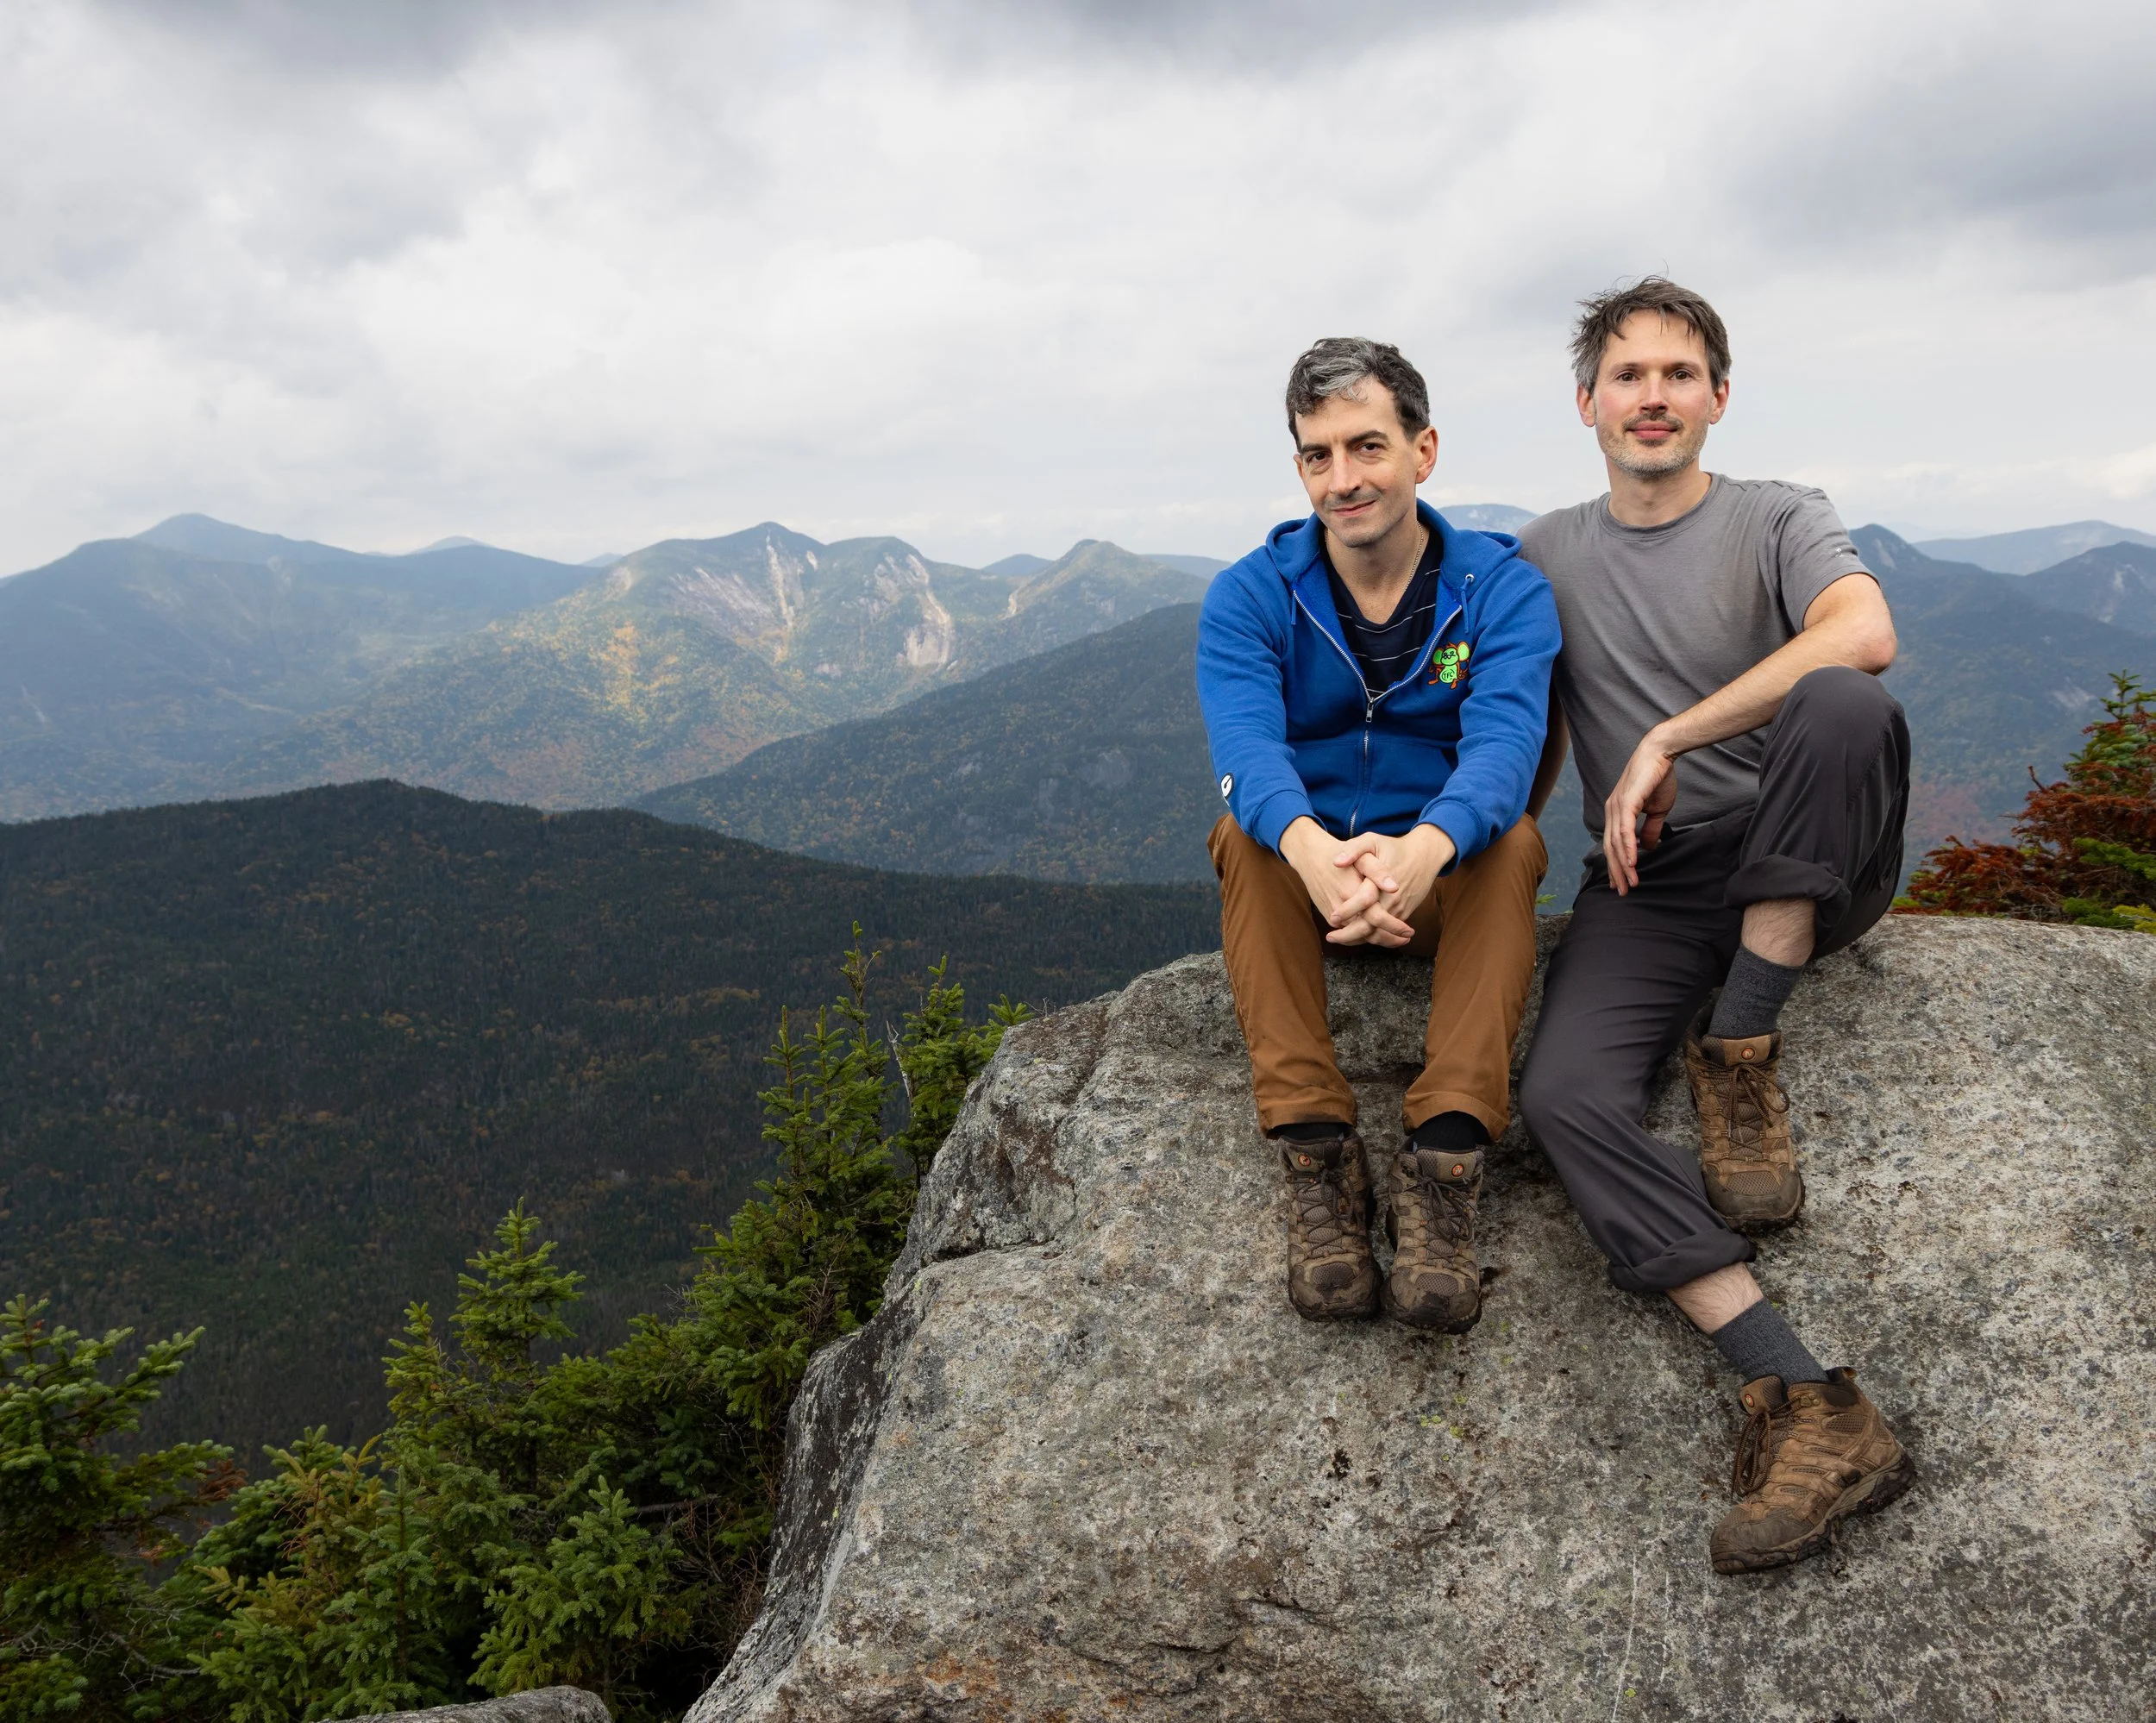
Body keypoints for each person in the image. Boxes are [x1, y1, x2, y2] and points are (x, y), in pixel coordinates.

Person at [1516, 279, 1916, 1575]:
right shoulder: (1545, 554)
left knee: (1844, 703)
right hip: (1656, 878)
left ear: (1718, 398)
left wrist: (1671, 738)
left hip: (1806, 842)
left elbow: (1864, 633)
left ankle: (1741, 1050)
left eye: (1679, 374)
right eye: (1627, 375)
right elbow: (1518, 740)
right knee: (1566, 1095)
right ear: (1586, 404)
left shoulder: (1779, 515)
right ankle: (1807, 1394)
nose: (1653, 396)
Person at [1197, 337, 1561, 1335]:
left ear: (1423, 449)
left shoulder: (1499, 591)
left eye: (1367, 446)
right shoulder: (1251, 594)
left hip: (1436, 875)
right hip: (1308, 877)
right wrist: (1314, 853)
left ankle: (1445, 1160)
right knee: (1246, 835)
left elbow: (1505, 747)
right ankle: (1316, 1152)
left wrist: (1423, 851)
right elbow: (1245, 746)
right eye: (1319, 455)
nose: (1343, 479)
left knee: (1513, 842)